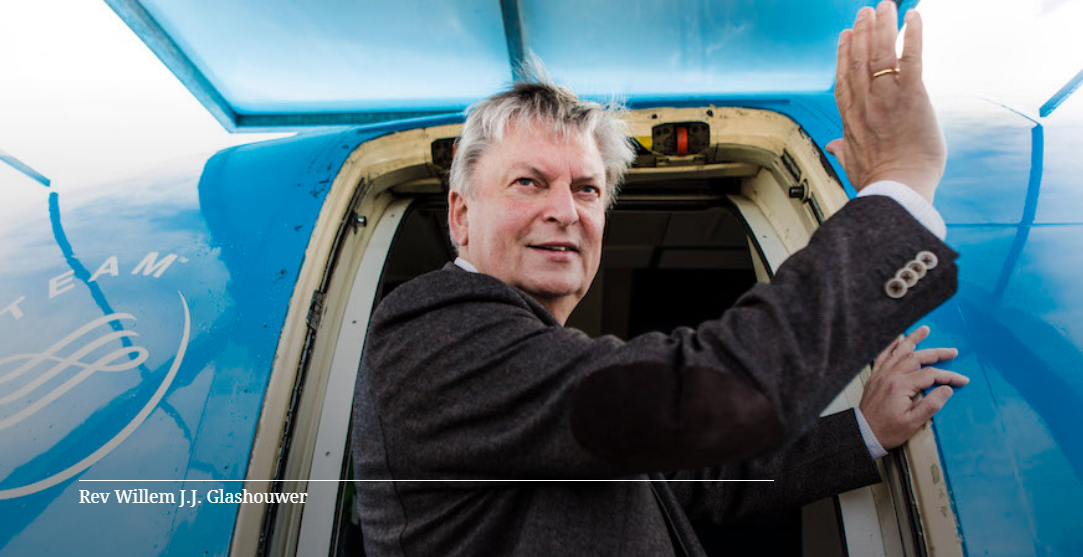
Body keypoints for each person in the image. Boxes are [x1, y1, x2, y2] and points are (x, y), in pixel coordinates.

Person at [350, 3, 968, 556]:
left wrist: (864, 433)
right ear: (461, 215)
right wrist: (902, 184)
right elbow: (696, 400)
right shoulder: (431, 330)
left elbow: (684, 482)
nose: (565, 211)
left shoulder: (537, 375)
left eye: (586, 189)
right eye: (529, 182)